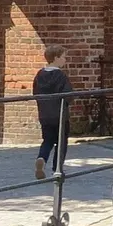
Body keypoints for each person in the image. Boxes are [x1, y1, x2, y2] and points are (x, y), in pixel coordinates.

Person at [33, 46, 73, 180]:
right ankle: (57, 168)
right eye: (63, 57)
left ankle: (41, 158)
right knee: (61, 142)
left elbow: (35, 93)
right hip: (60, 115)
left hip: (44, 114)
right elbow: (68, 95)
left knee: (48, 140)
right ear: (56, 58)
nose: (65, 60)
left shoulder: (39, 74)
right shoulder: (60, 75)